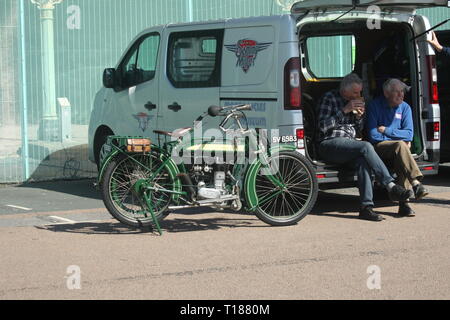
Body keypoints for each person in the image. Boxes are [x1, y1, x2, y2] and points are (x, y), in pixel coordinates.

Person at [318, 73, 413, 222]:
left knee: (364, 161)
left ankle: (366, 208)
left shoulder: (356, 102)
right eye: (355, 92)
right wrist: (345, 110)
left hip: (350, 145)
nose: (359, 95)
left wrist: (359, 118)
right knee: (366, 146)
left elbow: (358, 131)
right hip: (330, 143)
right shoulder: (329, 98)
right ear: (344, 90)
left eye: (360, 92)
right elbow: (322, 127)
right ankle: (390, 185)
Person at [366, 78, 429, 216]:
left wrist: (386, 130)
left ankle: (404, 204)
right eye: (397, 92)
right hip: (378, 148)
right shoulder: (374, 106)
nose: (401, 95)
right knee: (402, 146)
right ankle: (415, 183)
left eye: (402, 91)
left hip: (397, 148)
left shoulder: (405, 107)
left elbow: (409, 134)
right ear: (386, 93)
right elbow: (373, 136)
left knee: (401, 154)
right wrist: (399, 138)